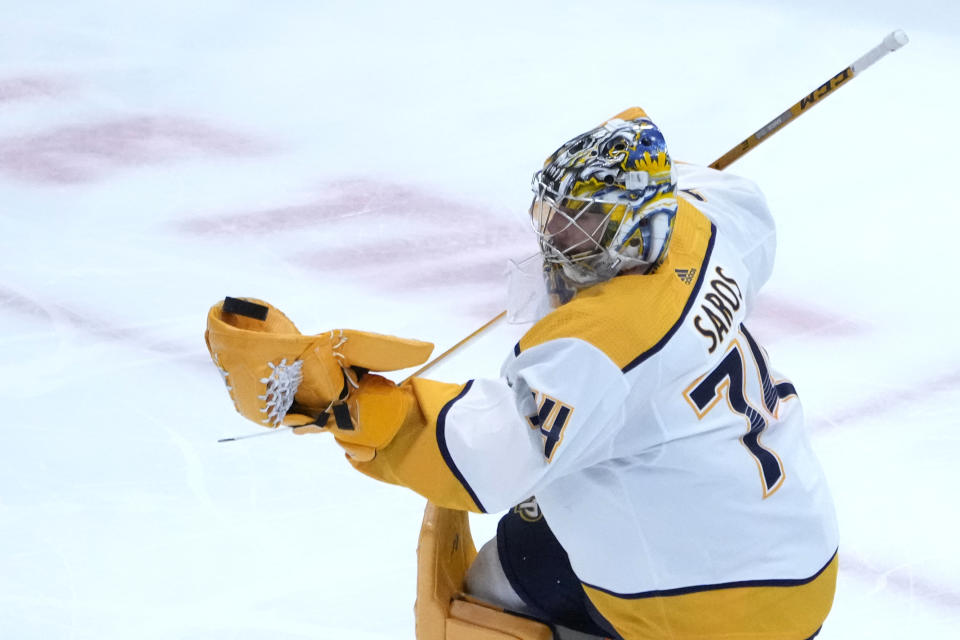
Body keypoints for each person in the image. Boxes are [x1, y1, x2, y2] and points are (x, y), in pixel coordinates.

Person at [206, 107, 839, 639]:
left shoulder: (598, 346)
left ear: (638, 228)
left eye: (583, 226)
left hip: (709, 610)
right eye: (555, 217)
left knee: (483, 590)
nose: (557, 242)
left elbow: (483, 463)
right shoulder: (705, 231)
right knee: (551, 518)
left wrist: (341, 401)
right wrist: (635, 159)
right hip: (803, 557)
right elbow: (733, 198)